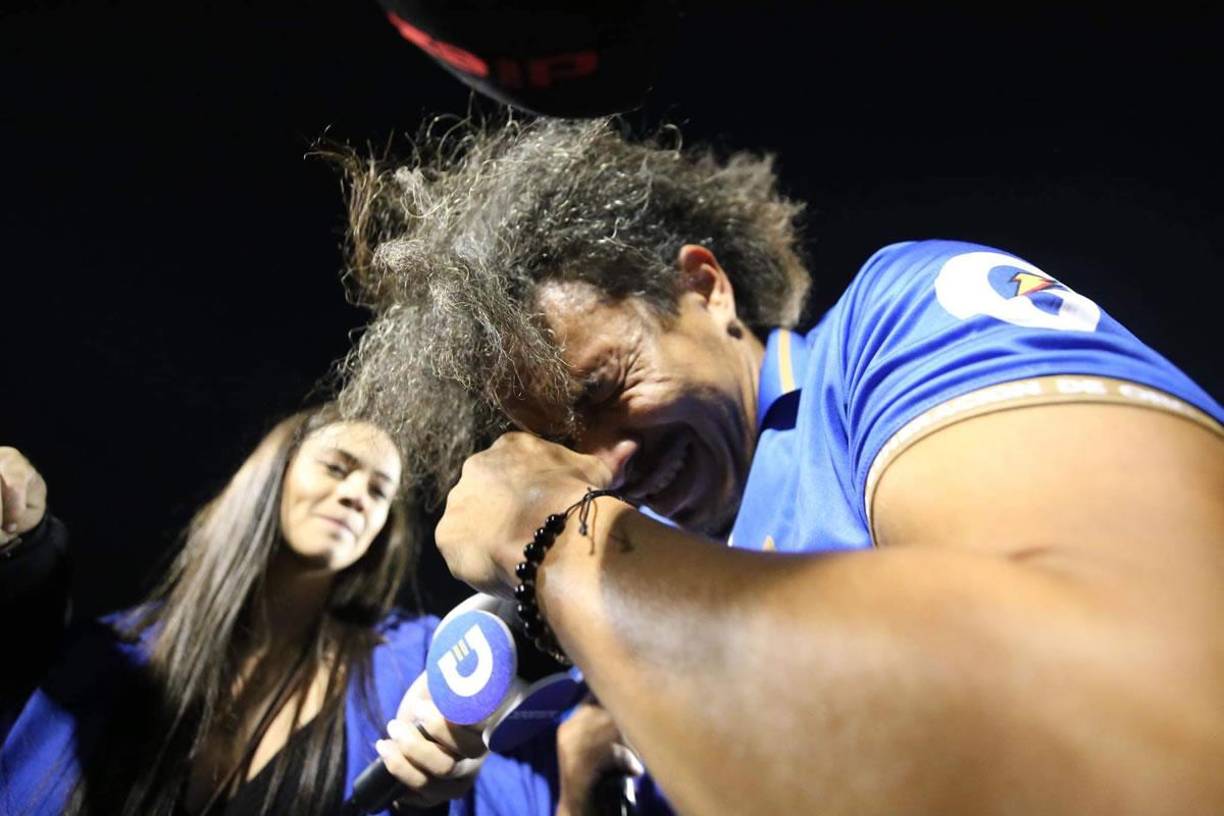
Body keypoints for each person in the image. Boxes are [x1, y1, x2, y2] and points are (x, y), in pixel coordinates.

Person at [334, 116, 1224, 814]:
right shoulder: (600, 654)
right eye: (560, 449)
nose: (602, 464)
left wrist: (549, 534)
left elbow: (1151, 706)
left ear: (705, 289)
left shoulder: (894, 332)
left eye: (607, 387)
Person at [0, 406, 487, 815]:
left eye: (379, 491)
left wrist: (451, 760)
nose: (356, 494)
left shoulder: (409, 659)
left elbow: (483, 755)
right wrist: (25, 537)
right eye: (337, 468)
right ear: (273, 474)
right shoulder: (107, 653)